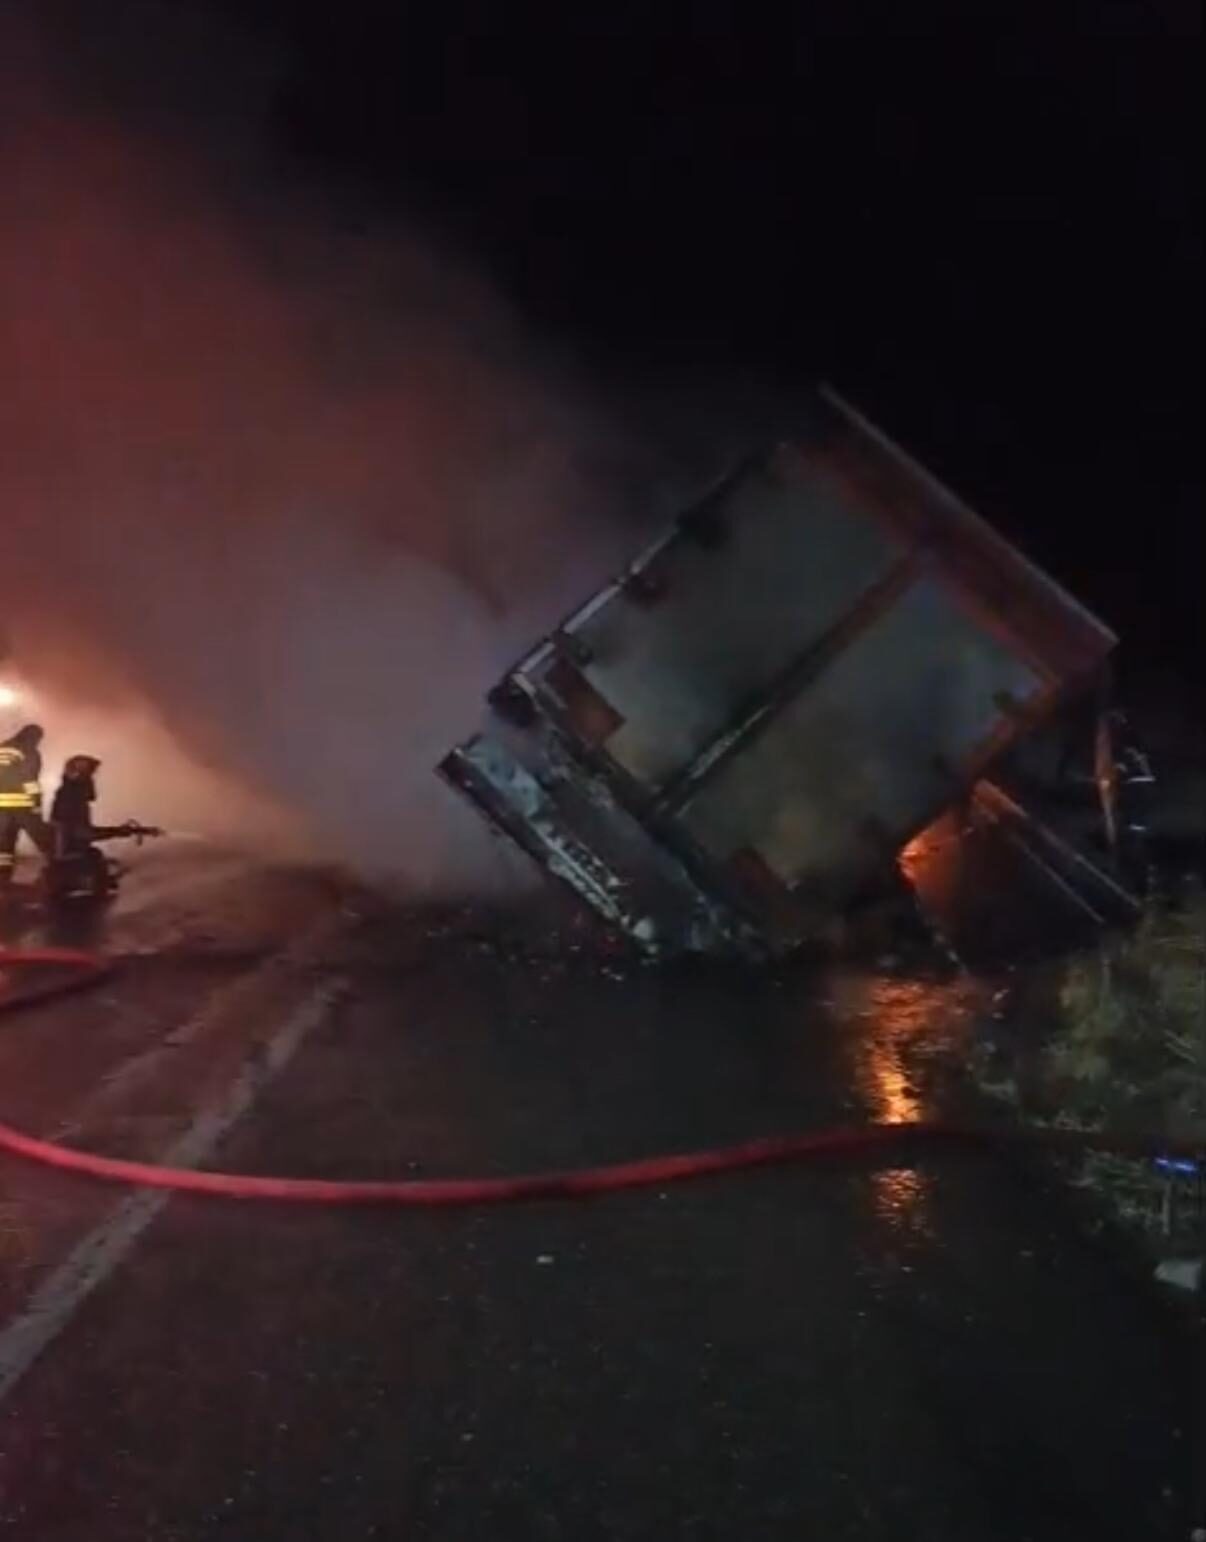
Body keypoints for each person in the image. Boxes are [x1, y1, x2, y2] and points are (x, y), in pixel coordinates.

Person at [47, 755, 159, 900]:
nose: (93, 781)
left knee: (95, 856)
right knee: (95, 857)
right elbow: (84, 834)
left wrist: (125, 831)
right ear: (80, 777)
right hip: (68, 859)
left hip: (66, 855)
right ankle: (76, 884)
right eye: (90, 776)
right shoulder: (71, 800)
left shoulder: (70, 797)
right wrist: (120, 831)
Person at [0, 722, 50, 887]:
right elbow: (30, 779)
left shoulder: (3, 747)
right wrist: (36, 803)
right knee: (43, 839)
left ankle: (2, 880)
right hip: (22, 805)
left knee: (4, 846)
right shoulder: (28, 750)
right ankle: (60, 873)